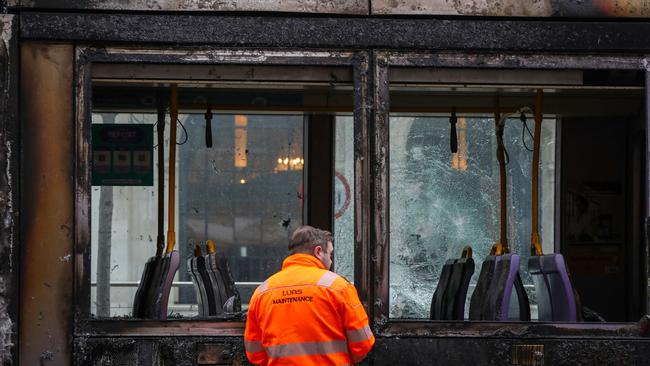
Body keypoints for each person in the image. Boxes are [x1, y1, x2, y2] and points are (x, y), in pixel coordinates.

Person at [244, 225, 375, 365]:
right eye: (330, 254)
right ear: (318, 251)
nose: (331, 261)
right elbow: (363, 343)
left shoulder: (263, 292)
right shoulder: (338, 286)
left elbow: (254, 353)